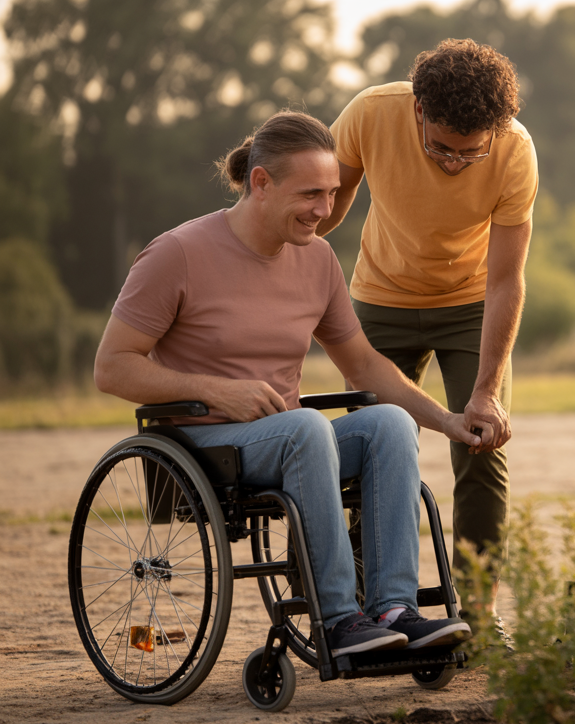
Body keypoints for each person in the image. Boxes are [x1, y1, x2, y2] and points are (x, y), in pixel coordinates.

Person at [94, 111, 475, 657]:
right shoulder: (177, 254)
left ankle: (394, 608)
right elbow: (111, 367)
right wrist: (216, 391)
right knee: (304, 428)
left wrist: (447, 422)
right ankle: (340, 619)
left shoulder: (317, 259)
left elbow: (365, 366)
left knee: (387, 423)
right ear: (261, 183)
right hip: (207, 444)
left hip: (291, 439)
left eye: (333, 192)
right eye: (312, 194)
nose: (325, 211)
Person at [315, 39, 537, 597]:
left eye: (470, 152)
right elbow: (319, 215)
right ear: (418, 109)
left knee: (482, 444)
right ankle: (374, 603)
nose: (454, 163)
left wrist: (486, 391)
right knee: (374, 448)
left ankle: (478, 617)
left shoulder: (514, 150)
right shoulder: (371, 112)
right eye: (440, 148)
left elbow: (507, 279)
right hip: (380, 302)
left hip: (470, 305)